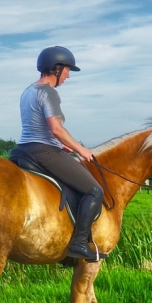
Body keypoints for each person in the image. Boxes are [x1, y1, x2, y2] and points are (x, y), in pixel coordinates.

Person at [15, 46, 105, 262]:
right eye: (67, 70)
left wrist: (61, 144)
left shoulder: (28, 91)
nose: (68, 76)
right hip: (44, 151)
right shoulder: (49, 93)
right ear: (56, 69)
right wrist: (80, 149)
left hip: (23, 150)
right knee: (94, 190)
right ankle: (79, 243)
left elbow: (37, 127)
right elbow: (56, 128)